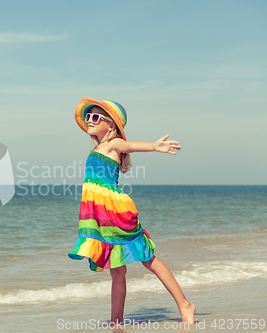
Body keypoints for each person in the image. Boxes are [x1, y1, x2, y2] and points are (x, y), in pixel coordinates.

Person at [68, 98, 195, 326]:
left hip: (116, 212)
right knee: (117, 272)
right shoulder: (97, 149)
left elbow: (133, 145)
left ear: (111, 125)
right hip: (100, 217)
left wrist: (155, 146)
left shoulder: (114, 144)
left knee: (147, 258)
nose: (90, 120)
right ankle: (116, 322)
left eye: (96, 117)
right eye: (88, 117)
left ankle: (185, 304)